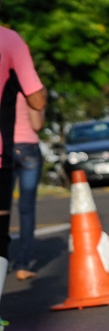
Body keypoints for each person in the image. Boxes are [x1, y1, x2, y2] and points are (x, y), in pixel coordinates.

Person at [0, 0, 47, 331]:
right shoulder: (10, 42)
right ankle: (25, 261)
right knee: (22, 212)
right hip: (18, 148)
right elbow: (37, 109)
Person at [12, 92, 44, 280]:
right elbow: (37, 124)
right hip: (29, 149)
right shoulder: (31, 89)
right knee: (27, 209)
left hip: (3, 150)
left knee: (2, 209)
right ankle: (23, 265)